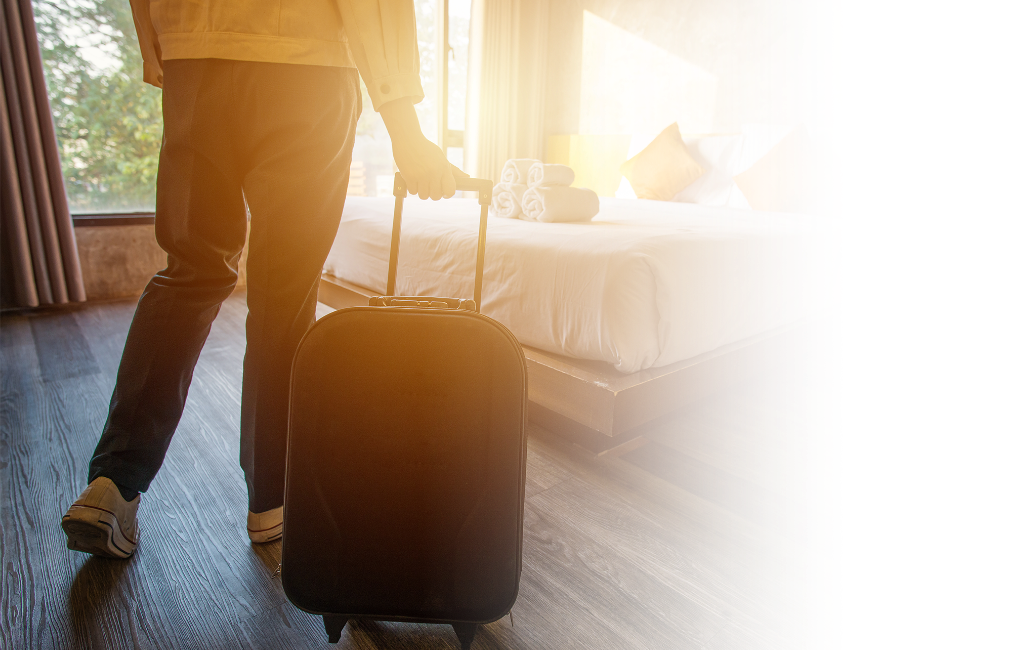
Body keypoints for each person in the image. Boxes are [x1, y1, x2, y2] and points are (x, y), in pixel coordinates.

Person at [60, 0, 462, 559]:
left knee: (190, 274)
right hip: (307, 69)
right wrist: (405, 127)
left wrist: (153, 37)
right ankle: (271, 500)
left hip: (197, 56)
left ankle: (113, 484)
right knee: (284, 294)